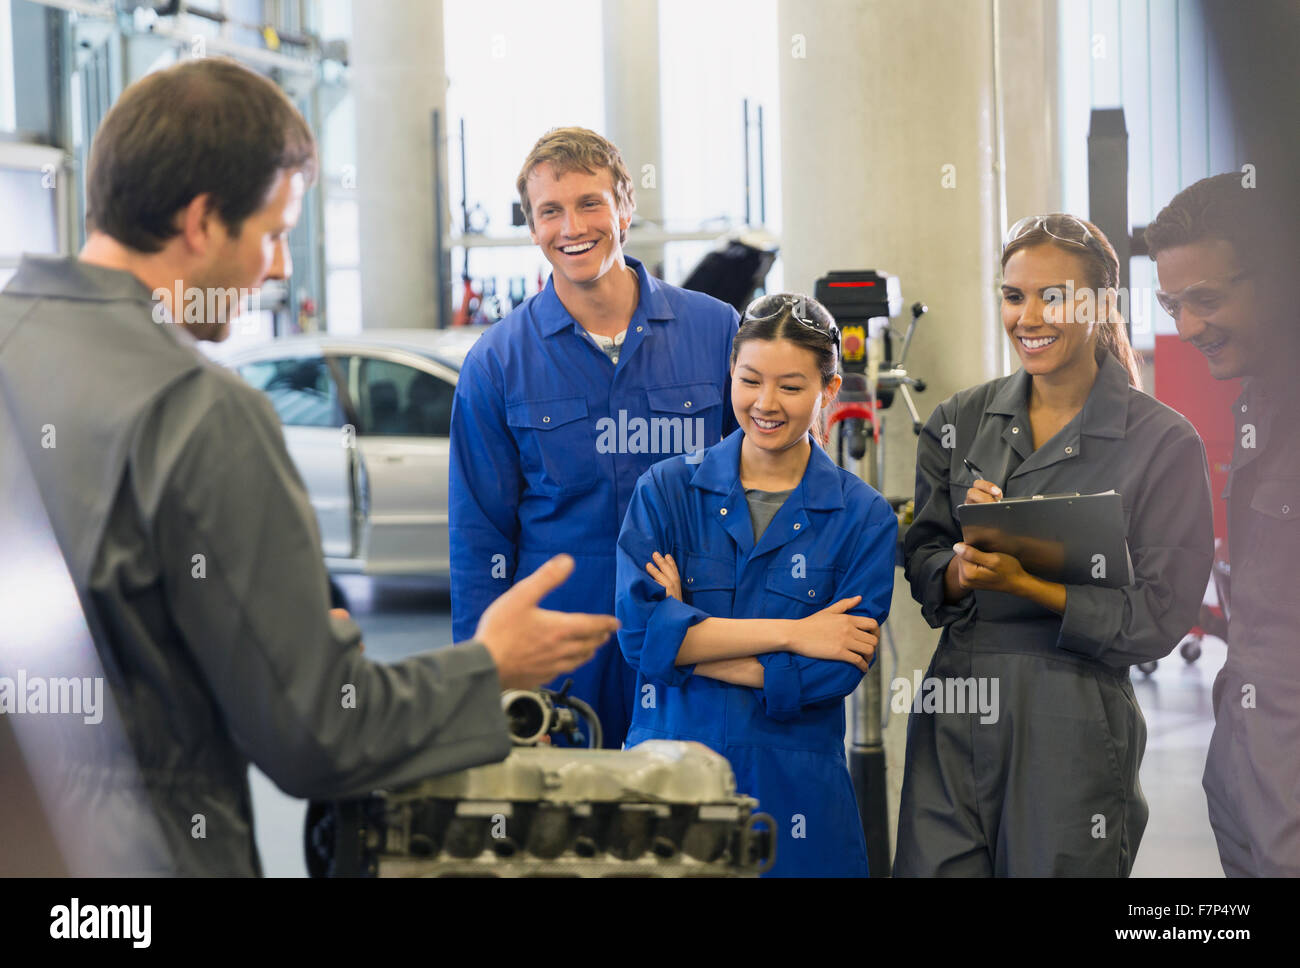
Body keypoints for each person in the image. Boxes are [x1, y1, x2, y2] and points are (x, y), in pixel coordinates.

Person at [0, 58, 616, 875]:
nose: (282, 267)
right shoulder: (197, 414)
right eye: (277, 231)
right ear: (201, 222)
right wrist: (488, 665)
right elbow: (318, 734)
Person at [893, 214, 1215, 876]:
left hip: (1071, 719)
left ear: (1101, 306)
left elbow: (1158, 614)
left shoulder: (1162, 443)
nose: (1028, 315)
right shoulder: (960, 422)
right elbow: (924, 559)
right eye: (1014, 295)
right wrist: (959, 568)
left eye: (1054, 296)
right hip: (955, 711)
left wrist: (1027, 583)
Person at [450, 127, 740, 748]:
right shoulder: (496, 362)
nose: (571, 226)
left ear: (624, 210)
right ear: (532, 228)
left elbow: (767, 486)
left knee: (694, 829)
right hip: (560, 663)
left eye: (590, 203)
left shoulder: (716, 331)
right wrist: (491, 687)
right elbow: (479, 541)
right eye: (550, 211)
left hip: (696, 641)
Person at [615, 294, 897, 877]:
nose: (765, 404)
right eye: (750, 381)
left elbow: (837, 668)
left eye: (791, 387)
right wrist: (795, 636)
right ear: (731, 375)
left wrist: (686, 640)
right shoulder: (667, 491)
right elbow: (639, 636)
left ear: (829, 389)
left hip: (796, 792)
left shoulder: (863, 517)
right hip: (671, 774)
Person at [1146, 173, 1300, 876]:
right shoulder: (1256, 401)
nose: (1186, 329)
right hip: (1246, 744)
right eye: (1172, 304)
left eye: (1207, 300)